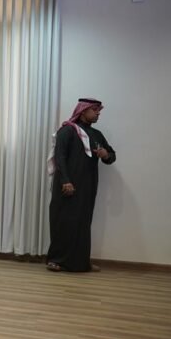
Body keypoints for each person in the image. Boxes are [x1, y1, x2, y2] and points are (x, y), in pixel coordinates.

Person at [46, 98, 116, 272]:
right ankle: (56, 260)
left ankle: (81, 262)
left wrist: (105, 154)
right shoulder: (67, 130)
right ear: (83, 110)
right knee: (63, 221)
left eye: (99, 110)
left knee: (82, 223)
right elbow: (60, 157)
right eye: (95, 110)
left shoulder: (97, 134)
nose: (98, 113)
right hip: (66, 185)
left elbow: (111, 156)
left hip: (88, 186)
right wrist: (65, 181)